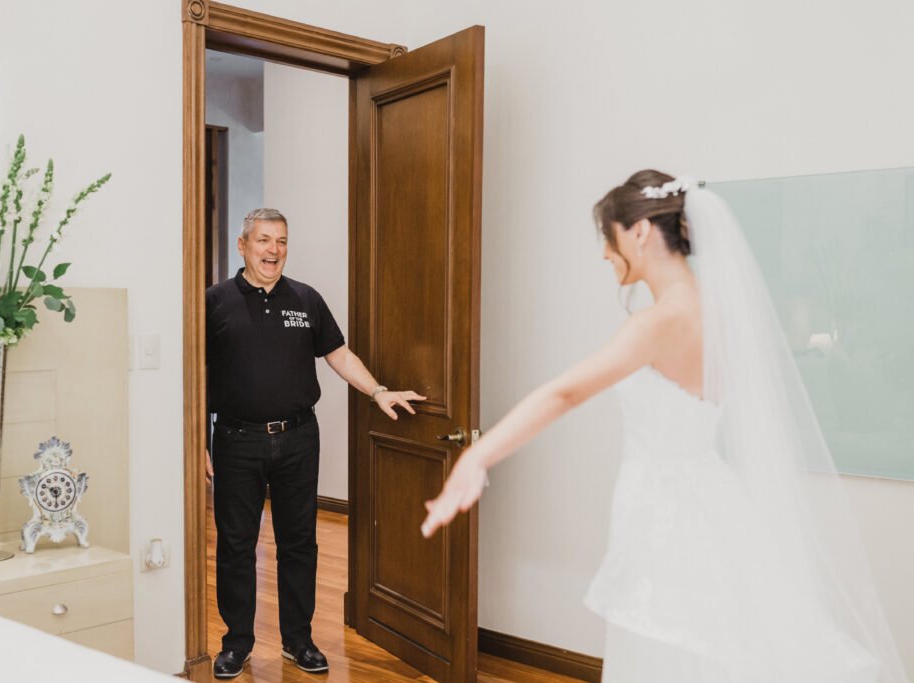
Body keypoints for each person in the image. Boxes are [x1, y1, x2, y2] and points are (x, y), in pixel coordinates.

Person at [421, 171, 909, 682]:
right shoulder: (721, 315)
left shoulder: (658, 323)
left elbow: (565, 393)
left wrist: (478, 455)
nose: (603, 253)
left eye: (607, 237)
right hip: (714, 501)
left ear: (639, 232)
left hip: (666, 519)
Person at [206, 208, 425, 679]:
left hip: (298, 439)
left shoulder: (305, 299)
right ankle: (237, 643)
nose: (273, 250)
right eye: (263, 240)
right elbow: (195, 371)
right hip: (236, 440)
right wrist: (193, 441)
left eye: (281, 241)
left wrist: (378, 391)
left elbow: (338, 354)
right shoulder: (215, 301)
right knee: (236, 544)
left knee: (300, 542)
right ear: (242, 246)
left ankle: (298, 641)